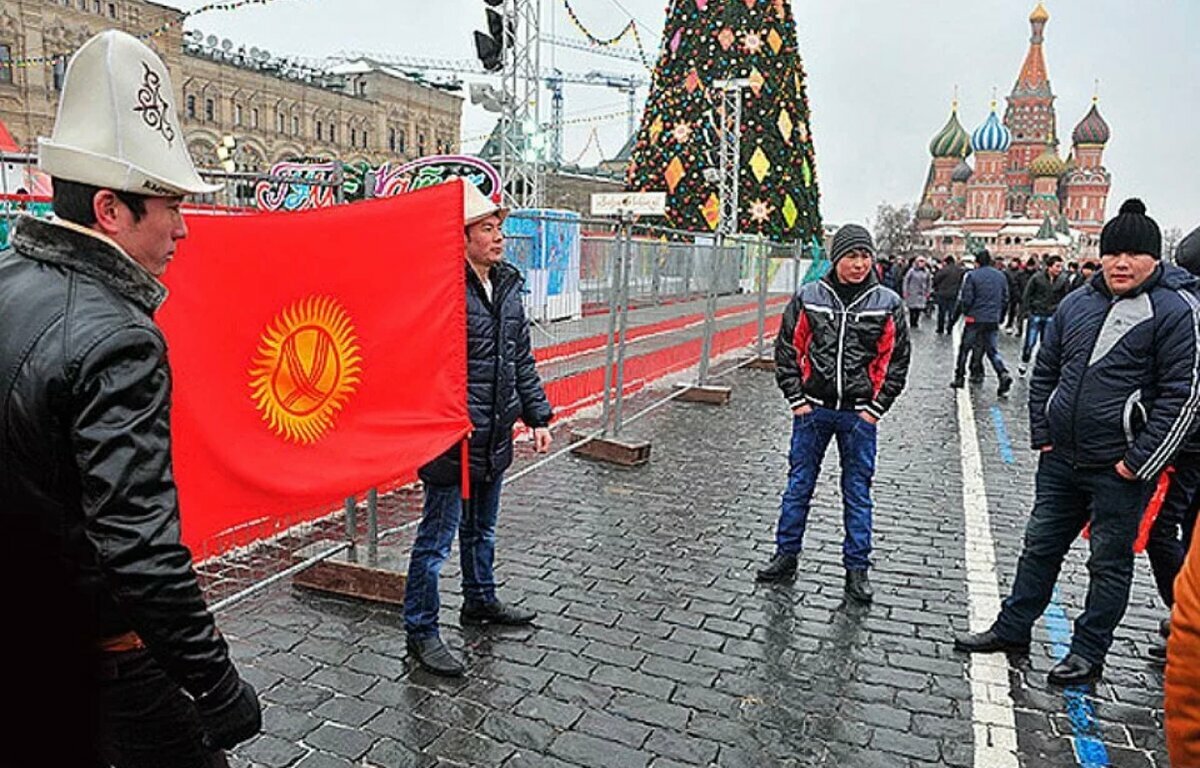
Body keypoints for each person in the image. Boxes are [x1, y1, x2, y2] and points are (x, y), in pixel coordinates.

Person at [0, 31, 261, 768]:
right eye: (169, 206)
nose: (182, 227)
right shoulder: (117, 336)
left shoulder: (7, 277)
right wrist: (215, 685)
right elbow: (138, 549)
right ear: (111, 209)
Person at [955, 200, 1200, 686]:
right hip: (1062, 458)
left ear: (1155, 260)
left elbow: (1184, 395)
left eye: (1133, 254)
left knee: (1107, 564)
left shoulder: (1173, 311)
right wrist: (1043, 434)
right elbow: (1046, 370)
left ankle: (1088, 653)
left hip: (1120, 467)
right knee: (1038, 547)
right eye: (1113, 254)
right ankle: (1013, 628)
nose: (1121, 263)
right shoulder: (1078, 303)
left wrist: (1139, 462)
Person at [405, 181, 554, 677]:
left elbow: (520, 359)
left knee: (482, 531)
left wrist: (537, 416)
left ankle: (479, 602)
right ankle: (421, 629)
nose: (498, 238)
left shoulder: (507, 284)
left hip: (494, 434)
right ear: (461, 237)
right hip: (452, 437)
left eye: (499, 228)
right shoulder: (442, 287)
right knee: (436, 541)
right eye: (486, 229)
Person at [759, 224, 911, 603]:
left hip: (858, 416)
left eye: (864, 256)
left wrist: (875, 410)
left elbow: (894, 360)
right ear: (837, 258)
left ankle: (856, 569)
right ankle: (786, 554)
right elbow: (788, 351)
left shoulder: (887, 302)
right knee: (798, 487)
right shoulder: (810, 297)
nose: (859, 264)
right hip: (813, 411)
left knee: (857, 492)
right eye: (851, 256)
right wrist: (797, 399)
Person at [1147, 225, 1200, 660]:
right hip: (1188, 437)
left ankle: (1187, 619)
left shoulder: (1179, 306)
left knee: (1163, 527)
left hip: (1188, 440)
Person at [951, 249, 1013, 396]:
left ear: (977, 262)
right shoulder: (1000, 276)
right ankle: (1002, 373)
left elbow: (966, 298)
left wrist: (966, 312)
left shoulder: (972, 275)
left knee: (965, 349)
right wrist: (1000, 316)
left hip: (975, 317)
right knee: (992, 350)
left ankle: (959, 377)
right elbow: (1005, 298)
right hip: (992, 318)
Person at [1019, 254, 1067, 375]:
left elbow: (1065, 298)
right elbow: (1027, 295)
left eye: (1061, 267)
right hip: (1036, 313)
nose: (1059, 269)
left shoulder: (1063, 280)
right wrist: (1026, 312)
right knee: (1030, 342)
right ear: (1049, 267)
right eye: (1057, 266)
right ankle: (1024, 361)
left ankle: (1041, 366)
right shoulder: (1037, 278)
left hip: (1051, 314)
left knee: (1047, 344)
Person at [932, 255, 965, 334]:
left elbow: (936, 279)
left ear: (946, 262)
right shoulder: (959, 270)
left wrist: (936, 288)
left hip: (942, 293)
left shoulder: (943, 270)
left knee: (941, 312)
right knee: (951, 312)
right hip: (954, 294)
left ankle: (940, 328)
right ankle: (950, 328)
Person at [902, 255, 932, 329]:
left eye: (923, 262)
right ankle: (912, 322)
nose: (921, 263)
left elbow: (929, 282)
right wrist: (905, 291)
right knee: (912, 309)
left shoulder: (927, 272)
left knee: (919, 309)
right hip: (912, 292)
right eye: (920, 261)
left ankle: (916, 322)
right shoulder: (911, 271)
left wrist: (928, 291)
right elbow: (906, 281)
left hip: (922, 293)